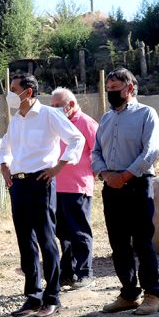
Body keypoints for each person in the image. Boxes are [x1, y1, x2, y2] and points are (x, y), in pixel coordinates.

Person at [0, 73, 84, 317]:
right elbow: (5, 145)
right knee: (25, 240)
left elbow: (76, 138)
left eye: (13, 89)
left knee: (46, 239)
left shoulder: (49, 114)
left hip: (41, 182)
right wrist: (4, 166)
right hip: (18, 184)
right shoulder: (16, 119)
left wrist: (59, 166)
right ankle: (33, 296)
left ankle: (53, 296)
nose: (10, 94)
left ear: (28, 91)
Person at [92, 68, 159, 316]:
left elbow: (150, 151)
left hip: (138, 184)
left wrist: (125, 176)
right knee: (118, 243)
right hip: (111, 186)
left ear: (130, 88)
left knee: (142, 241)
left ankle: (152, 295)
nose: (110, 92)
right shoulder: (106, 119)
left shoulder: (146, 114)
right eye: (108, 89)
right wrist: (106, 174)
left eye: (115, 88)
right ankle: (129, 294)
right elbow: (95, 151)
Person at [50, 87, 98, 289]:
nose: (54, 109)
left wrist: (91, 176)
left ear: (70, 104)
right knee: (62, 233)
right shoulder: (56, 123)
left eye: (57, 105)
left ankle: (85, 273)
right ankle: (68, 273)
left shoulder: (86, 123)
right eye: (52, 106)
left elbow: (98, 151)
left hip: (78, 187)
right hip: (56, 186)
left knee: (79, 231)